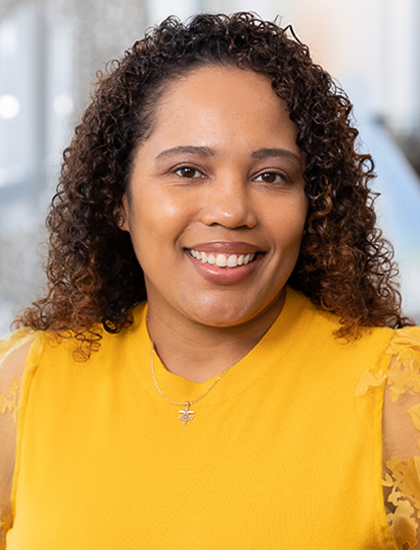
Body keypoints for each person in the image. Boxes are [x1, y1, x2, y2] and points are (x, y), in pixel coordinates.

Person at [0, 12, 419, 549]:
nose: (231, 211)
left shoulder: (396, 391)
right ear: (118, 200)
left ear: (314, 203)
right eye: (188, 170)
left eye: (271, 176)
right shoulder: (29, 384)